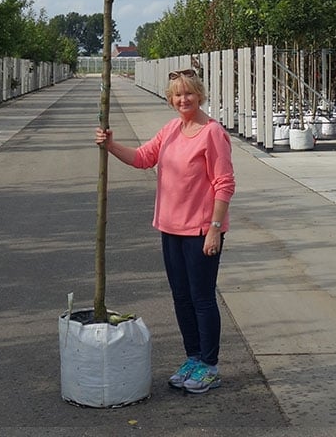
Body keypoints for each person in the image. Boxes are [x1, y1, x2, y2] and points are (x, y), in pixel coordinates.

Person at [95, 68, 235, 394]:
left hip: (200, 229)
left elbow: (224, 183)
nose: (182, 99)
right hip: (170, 228)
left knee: (202, 298)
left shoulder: (212, 133)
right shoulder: (172, 130)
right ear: (170, 98)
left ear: (199, 94)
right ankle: (194, 357)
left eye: (188, 93)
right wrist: (112, 145)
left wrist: (215, 228)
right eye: (177, 94)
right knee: (181, 298)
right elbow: (144, 158)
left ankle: (210, 365)